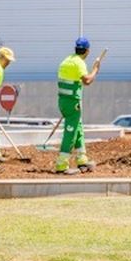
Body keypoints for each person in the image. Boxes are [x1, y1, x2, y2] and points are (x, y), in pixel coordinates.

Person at [55, 37, 102, 173]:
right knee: (70, 131)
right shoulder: (79, 63)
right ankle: (61, 164)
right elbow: (87, 81)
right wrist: (95, 70)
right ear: (87, 51)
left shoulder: (66, 60)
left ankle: (82, 159)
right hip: (72, 102)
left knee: (78, 128)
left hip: (64, 101)